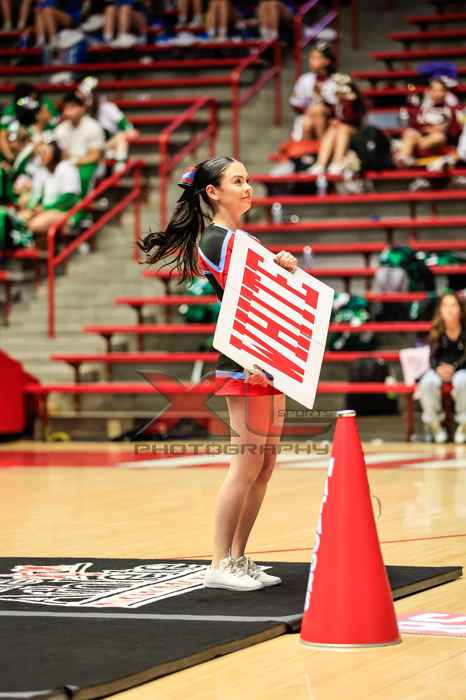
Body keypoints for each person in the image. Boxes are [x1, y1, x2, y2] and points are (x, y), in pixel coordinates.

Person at [139, 156, 298, 591]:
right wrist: (248, 355)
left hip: (269, 359)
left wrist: (283, 266)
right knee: (245, 465)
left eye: (248, 180)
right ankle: (218, 563)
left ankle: (239, 558)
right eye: (237, 181)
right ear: (213, 192)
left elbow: (268, 296)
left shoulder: (243, 239)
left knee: (264, 465)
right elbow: (240, 303)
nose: (247, 187)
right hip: (245, 361)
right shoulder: (215, 240)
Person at [418, 293, 466, 444]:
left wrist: (454, 367)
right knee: (427, 383)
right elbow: (431, 357)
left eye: (453, 305)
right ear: (440, 309)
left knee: (463, 381)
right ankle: (435, 425)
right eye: (445, 306)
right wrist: (438, 369)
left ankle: (463, 424)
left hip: (461, 368)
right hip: (439, 369)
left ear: (460, 309)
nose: (449, 310)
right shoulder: (436, 329)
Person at [17, 140, 81, 239]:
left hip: (67, 212)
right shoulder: (42, 171)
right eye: (40, 153)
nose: (41, 156)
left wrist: (45, 208)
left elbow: (70, 198)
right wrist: (32, 208)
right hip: (47, 210)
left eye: (45, 153)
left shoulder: (66, 167)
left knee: (35, 224)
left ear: (55, 154)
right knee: (20, 219)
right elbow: (36, 195)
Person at [77, 76, 139, 173]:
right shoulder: (79, 113)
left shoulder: (107, 108)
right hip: (88, 149)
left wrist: (128, 131)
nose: (86, 101)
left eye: (88, 97)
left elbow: (126, 125)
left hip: (106, 145)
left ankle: (119, 166)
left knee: (121, 136)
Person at [395, 76, 461, 168]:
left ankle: (406, 151)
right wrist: (428, 129)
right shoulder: (422, 107)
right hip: (421, 138)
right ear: (429, 91)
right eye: (433, 90)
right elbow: (415, 125)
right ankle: (404, 158)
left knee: (439, 137)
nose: (436, 94)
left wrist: (441, 130)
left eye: (440, 90)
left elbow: (454, 132)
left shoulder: (450, 110)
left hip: (438, 145)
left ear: (445, 92)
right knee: (410, 132)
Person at [308, 73, 365, 176]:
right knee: (332, 130)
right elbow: (332, 112)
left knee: (342, 128)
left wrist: (349, 101)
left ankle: (337, 162)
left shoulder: (354, 102)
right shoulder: (338, 103)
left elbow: (352, 118)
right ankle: (321, 164)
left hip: (353, 130)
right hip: (338, 130)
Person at [55, 92, 105, 196]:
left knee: (83, 176)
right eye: (66, 108)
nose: (69, 111)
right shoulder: (60, 129)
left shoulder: (94, 127)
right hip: (70, 162)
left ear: (82, 108)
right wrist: (69, 163)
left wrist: (75, 162)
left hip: (90, 164)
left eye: (72, 107)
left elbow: (94, 155)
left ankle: (83, 202)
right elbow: (63, 154)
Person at [289, 41, 336, 142]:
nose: (311, 61)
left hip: (329, 120)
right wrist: (309, 110)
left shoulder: (335, 81)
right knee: (307, 123)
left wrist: (322, 97)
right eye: (311, 58)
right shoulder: (305, 79)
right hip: (308, 117)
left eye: (316, 58)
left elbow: (337, 108)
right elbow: (295, 104)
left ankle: (322, 145)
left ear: (327, 61)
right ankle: (311, 150)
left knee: (318, 110)